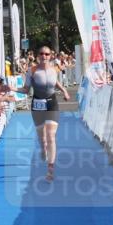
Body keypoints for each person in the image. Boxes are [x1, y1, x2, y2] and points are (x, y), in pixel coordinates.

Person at [24, 46, 70, 182]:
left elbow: (54, 81)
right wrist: (12, 88)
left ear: (50, 56)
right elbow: (26, 90)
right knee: (42, 137)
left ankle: (50, 169)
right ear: (38, 56)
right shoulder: (32, 70)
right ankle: (43, 148)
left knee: (51, 136)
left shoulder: (54, 68)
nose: (44, 56)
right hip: (37, 104)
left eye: (47, 54)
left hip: (52, 103)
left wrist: (65, 91)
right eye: (41, 53)